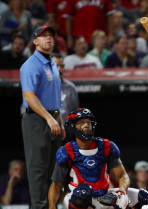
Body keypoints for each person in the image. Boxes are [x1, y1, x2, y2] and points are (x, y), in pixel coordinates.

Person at [48, 108, 148, 209]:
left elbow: (123, 176)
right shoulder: (66, 151)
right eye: (81, 122)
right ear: (72, 126)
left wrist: (122, 193)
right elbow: (56, 185)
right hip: (77, 197)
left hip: (105, 195)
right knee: (83, 194)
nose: (86, 125)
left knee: (146, 197)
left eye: (88, 122)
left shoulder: (106, 146)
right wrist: (52, 207)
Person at [20, 25, 64, 209]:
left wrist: (58, 119)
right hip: (37, 121)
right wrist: (49, 118)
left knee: (55, 170)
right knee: (38, 170)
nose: (49, 39)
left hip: (53, 119)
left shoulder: (51, 62)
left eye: (51, 36)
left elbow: (53, 95)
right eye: (43, 36)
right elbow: (29, 96)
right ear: (35, 41)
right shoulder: (30, 65)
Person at [52, 53, 79, 121]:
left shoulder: (71, 87)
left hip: (65, 128)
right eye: (56, 66)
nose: (59, 69)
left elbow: (75, 112)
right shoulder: (40, 87)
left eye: (62, 66)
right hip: (46, 129)